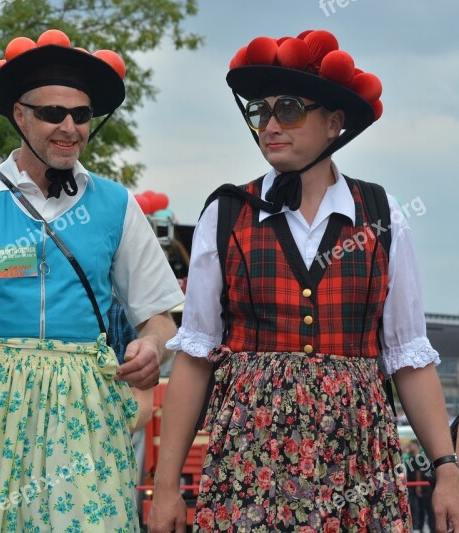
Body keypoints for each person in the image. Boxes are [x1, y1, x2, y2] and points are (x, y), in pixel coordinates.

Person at [149, 30, 459, 532]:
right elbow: (194, 356)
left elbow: (409, 356)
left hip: (357, 464)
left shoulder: (381, 216)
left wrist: (446, 469)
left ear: (334, 122)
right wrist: (166, 488)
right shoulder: (226, 213)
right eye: (259, 112)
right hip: (249, 464)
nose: (269, 125)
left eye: (288, 110)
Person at [0, 29, 183, 531]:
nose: (70, 127)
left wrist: (151, 348)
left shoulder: (115, 203)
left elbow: (160, 321)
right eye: (53, 113)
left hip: (87, 406)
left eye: (81, 115)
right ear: (20, 115)